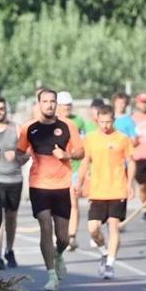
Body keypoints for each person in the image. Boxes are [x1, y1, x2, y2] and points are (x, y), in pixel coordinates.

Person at [16, 88, 84, 291]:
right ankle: (51, 275)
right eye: (45, 101)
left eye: (52, 101)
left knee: (63, 237)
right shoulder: (29, 128)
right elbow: (19, 152)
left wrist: (67, 155)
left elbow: (81, 151)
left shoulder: (68, 125)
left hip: (62, 185)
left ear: (56, 103)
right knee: (45, 226)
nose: (49, 105)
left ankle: (59, 254)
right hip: (39, 185)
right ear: (39, 104)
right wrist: (22, 158)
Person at [75, 105, 135, 279]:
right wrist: (78, 183)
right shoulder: (91, 139)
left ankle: (110, 264)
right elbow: (85, 162)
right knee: (93, 229)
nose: (106, 125)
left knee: (113, 226)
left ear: (113, 120)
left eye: (109, 122)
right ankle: (103, 252)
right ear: (97, 121)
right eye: (102, 122)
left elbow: (131, 162)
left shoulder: (122, 139)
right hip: (97, 191)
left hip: (117, 189)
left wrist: (129, 184)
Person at [0, 96, 23, 270]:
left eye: (1, 108)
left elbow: (26, 155)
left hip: (15, 179)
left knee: (11, 218)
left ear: (6, 109)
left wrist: (17, 156)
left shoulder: (16, 129)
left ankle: (10, 250)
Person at [57, 91, 87, 251]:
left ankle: (72, 235)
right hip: (58, 170)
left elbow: (85, 143)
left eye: (69, 104)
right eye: (64, 105)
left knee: (73, 202)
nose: (67, 107)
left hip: (75, 168)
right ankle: (61, 234)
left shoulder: (79, 121)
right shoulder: (53, 121)